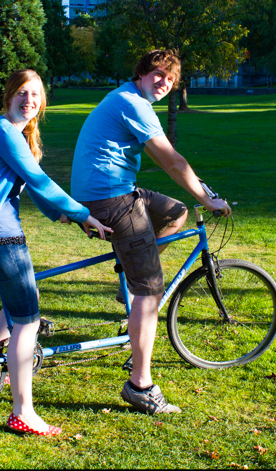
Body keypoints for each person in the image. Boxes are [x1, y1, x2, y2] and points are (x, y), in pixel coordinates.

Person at [70, 49, 230, 415]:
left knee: (175, 212)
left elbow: (168, 161)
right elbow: (171, 159)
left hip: (115, 190)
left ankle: (132, 273)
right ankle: (139, 385)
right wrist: (208, 200)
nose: (164, 83)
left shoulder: (132, 98)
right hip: (109, 199)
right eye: (159, 74)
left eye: (171, 80)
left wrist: (198, 192)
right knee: (150, 290)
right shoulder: (133, 102)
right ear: (142, 73)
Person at [0, 69, 112, 436]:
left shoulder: (14, 134)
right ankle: (22, 411)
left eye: (36, 95)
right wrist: (83, 213)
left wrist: (66, 216)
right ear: (9, 95)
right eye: (22, 93)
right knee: (27, 319)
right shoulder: (4, 132)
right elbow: (41, 181)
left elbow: (34, 187)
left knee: (21, 300)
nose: (29, 100)